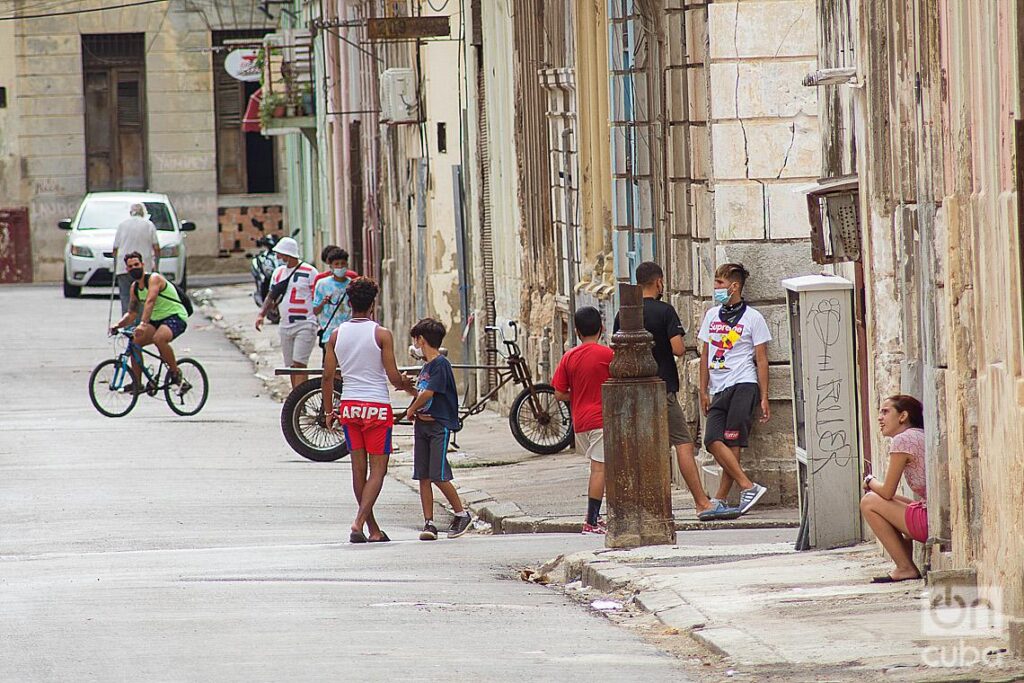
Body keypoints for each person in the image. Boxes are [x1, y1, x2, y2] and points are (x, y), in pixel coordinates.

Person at [613, 261, 719, 520]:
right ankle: (701, 502)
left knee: (641, 447)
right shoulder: (665, 311)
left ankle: (641, 506)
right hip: (662, 387)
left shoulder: (625, 313)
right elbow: (678, 348)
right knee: (682, 443)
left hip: (634, 392)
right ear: (659, 282)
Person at [323, 278, 415, 544]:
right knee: (378, 471)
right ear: (373, 304)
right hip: (376, 408)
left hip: (349, 408)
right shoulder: (381, 334)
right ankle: (358, 522)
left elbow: (327, 377)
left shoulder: (336, 335)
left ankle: (372, 529)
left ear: (349, 304)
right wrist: (408, 387)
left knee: (358, 471)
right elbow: (393, 376)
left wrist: (329, 411)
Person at [698, 263, 771, 517]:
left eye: (719, 283)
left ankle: (723, 496)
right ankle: (747, 486)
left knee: (732, 439)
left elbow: (761, 359)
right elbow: (705, 353)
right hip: (719, 386)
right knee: (712, 439)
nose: (716, 288)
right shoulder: (711, 315)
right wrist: (703, 390)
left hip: (743, 383)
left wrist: (764, 396)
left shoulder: (753, 318)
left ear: (734, 286)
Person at [403, 318, 473, 541]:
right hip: (422, 425)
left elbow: (428, 394)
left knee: (438, 475)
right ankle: (429, 522)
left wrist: (411, 409)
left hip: (437, 425)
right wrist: (407, 390)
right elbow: (420, 392)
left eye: (416, 340)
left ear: (421, 340)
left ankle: (461, 514)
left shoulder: (441, 364)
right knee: (423, 476)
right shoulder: (426, 367)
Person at [553, 306, 614, 534]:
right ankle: (591, 520)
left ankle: (598, 517)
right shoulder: (608, 355)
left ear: (577, 331)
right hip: (602, 419)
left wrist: (577, 394)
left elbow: (559, 393)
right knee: (599, 469)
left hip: (581, 422)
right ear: (601, 328)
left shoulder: (569, 357)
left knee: (601, 468)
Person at [860, 395, 927, 583]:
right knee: (891, 501)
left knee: (869, 501)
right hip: (931, 514)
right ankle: (906, 566)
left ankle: (905, 568)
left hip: (929, 523)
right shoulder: (918, 434)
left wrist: (869, 480)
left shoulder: (903, 440)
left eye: (885, 412)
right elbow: (890, 497)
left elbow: (887, 490)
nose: (880, 417)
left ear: (903, 416)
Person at [110, 251, 187, 392]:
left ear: (143, 264)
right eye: (130, 266)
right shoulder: (135, 288)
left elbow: (150, 301)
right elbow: (132, 313)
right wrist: (118, 325)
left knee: (159, 338)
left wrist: (143, 324)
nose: (134, 268)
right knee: (134, 342)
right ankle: (137, 384)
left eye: (136, 264)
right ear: (127, 269)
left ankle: (175, 373)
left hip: (175, 316)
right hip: (156, 320)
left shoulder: (154, 279)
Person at [255, 237, 319, 389]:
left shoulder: (310, 272)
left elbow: (316, 296)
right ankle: (295, 398)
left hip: (305, 323)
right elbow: (272, 295)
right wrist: (261, 314)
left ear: (288, 254)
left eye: (280, 254)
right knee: (291, 366)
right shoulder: (278, 273)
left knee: (300, 363)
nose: (278, 257)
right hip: (285, 324)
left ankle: (300, 398)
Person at [112, 203, 160, 315]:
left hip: (124, 267)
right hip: (143, 268)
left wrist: (115, 266)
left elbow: (115, 249)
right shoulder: (149, 225)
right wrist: (156, 266)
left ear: (130, 213)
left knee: (126, 297)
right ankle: (140, 325)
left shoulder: (122, 225)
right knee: (142, 297)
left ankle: (127, 324)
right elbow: (156, 248)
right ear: (143, 213)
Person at [312, 247, 354, 355]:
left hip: (349, 334)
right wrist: (323, 303)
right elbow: (315, 310)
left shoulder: (352, 285)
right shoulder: (322, 284)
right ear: (331, 266)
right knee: (332, 366)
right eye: (337, 264)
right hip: (329, 334)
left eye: (343, 263)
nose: (340, 267)